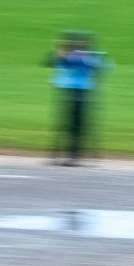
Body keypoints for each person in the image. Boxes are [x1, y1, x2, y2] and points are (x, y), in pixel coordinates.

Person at [43, 30, 112, 166]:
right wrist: (58, 55)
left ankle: (73, 154)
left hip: (80, 93)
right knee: (68, 125)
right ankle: (65, 154)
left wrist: (61, 56)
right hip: (71, 92)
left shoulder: (84, 57)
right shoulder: (77, 57)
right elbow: (50, 62)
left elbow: (101, 67)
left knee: (76, 125)